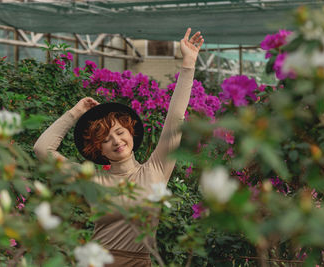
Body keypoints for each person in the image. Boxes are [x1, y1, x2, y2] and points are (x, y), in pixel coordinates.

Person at [33, 28, 204, 266]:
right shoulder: (92, 180)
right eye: (105, 139)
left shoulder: (155, 170)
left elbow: (175, 118)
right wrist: (74, 114)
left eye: (120, 132)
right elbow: (43, 150)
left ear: (131, 134)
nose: (116, 141)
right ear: (98, 150)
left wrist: (188, 63)